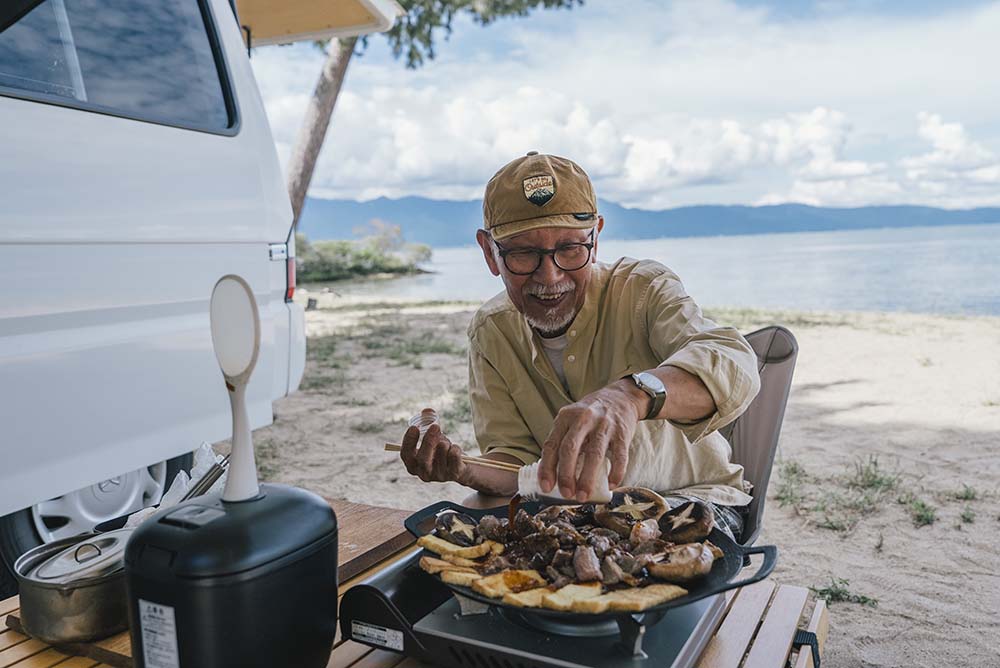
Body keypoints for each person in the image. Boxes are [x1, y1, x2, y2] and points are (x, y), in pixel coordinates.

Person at [399, 151, 761, 539]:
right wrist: (462, 468)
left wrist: (631, 396)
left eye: (571, 248)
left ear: (596, 238)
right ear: (490, 253)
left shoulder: (644, 289)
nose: (550, 275)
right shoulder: (492, 330)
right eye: (523, 254)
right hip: (575, 516)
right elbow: (517, 466)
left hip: (691, 501)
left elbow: (732, 361)